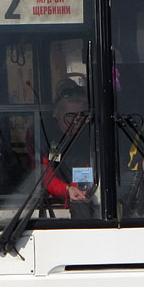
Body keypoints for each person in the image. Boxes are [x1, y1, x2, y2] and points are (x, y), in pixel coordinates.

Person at [41, 81, 94, 215]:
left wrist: (78, 188)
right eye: (70, 116)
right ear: (56, 114)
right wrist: (66, 189)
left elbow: (89, 166)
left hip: (84, 196)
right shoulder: (44, 135)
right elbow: (43, 173)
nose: (76, 121)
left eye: (81, 116)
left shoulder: (91, 135)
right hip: (50, 203)